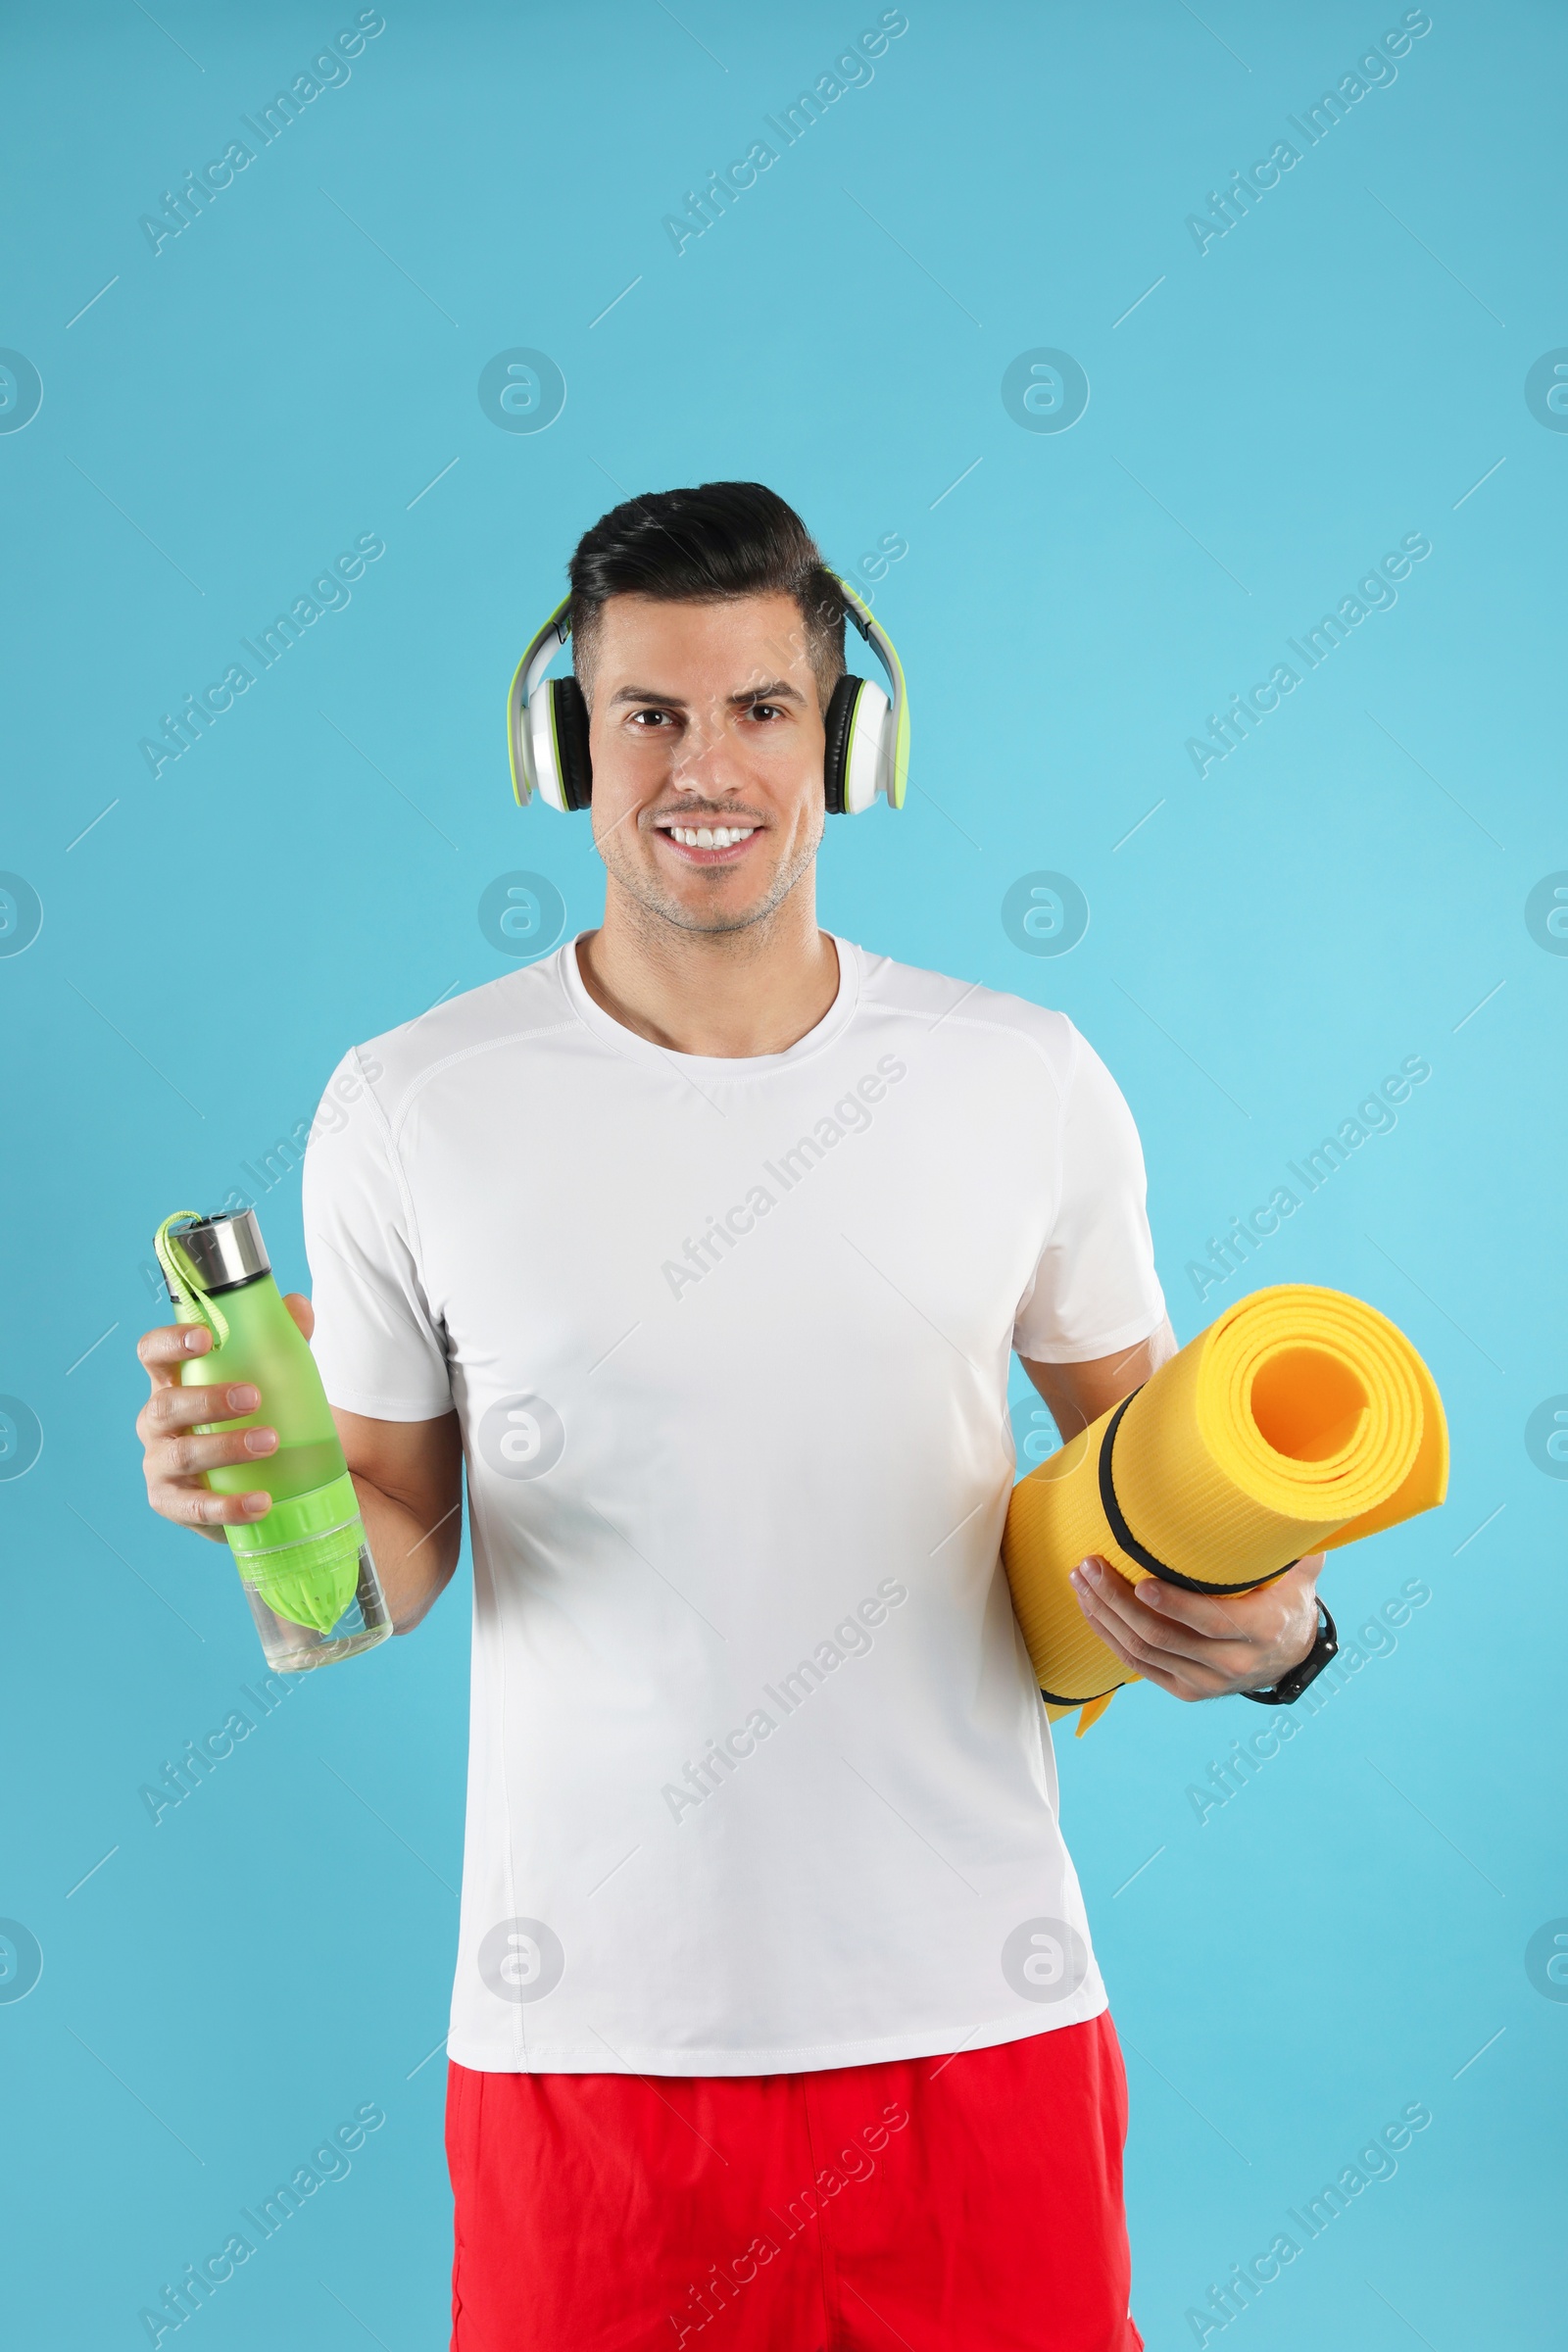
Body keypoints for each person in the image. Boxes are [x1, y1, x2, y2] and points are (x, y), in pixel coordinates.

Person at [134, 483, 1322, 2350]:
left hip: (978, 2027)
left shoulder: (1022, 1080)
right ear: (564, 745)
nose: (708, 766)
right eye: (648, 715)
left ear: (846, 737)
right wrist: (270, 1529)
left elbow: (1179, 1480)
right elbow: (385, 1565)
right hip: (585, 2053)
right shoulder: (410, 1105)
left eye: (763, 708)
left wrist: (1282, 1638)